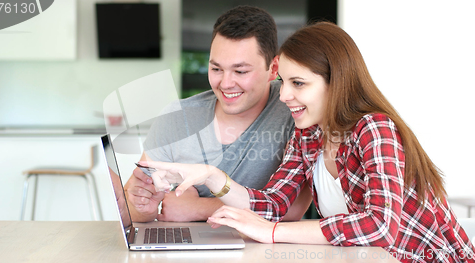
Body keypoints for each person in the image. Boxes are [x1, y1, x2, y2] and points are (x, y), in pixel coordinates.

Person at [141, 22, 475, 262]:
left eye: (299, 83)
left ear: (336, 82)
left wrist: (272, 233)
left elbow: (379, 227)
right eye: (284, 81)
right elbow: (273, 205)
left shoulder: (374, 128)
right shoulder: (310, 135)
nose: (284, 95)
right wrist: (213, 177)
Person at [123, 5, 307, 223]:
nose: (225, 84)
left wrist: (198, 208)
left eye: (240, 71)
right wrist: (144, 207)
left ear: (274, 68)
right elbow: (132, 208)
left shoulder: (294, 107)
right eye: (216, 69)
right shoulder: (176, 117)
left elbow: (293, 207)